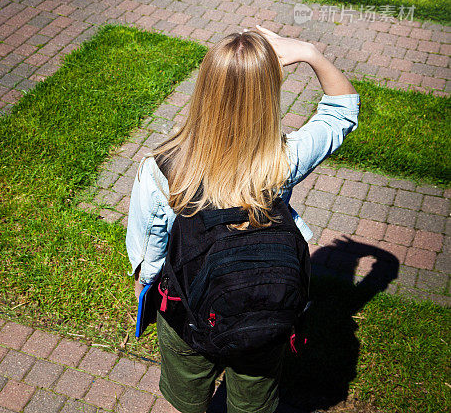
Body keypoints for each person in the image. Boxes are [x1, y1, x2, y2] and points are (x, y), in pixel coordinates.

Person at [126, 24, 360, 413]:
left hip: (188, 315)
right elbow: (342, 110)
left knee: (188, 397)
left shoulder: (163, 169)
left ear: (205, 89)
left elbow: (149, 253)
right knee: (254, 400)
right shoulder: (284, 160)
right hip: (265, 316)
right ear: (270, 94)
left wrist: (144, 291)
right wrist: (309, 52)